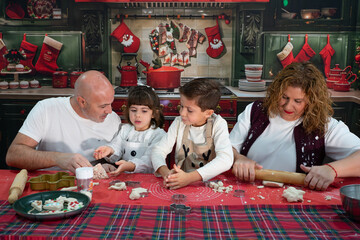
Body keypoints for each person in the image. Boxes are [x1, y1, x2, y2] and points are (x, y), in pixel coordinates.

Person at [230, 62, 360, 191]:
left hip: (296, 201)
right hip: (246, 192)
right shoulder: (255, 111)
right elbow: (226, 148)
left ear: (312, 101)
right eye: (284, 97)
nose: (287, 106)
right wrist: (239, 158)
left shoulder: (324, 126)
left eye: (297, 101)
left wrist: (332, 170)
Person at [6, 70, 121, 173]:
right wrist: (58, 158)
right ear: (82, 102)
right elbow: (13, 156)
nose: (110, 111)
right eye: (103, 106)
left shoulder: (113, 120)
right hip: (50, 186)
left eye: (111, 103)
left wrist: (107, 166)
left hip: (93, 185)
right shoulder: (46, 109)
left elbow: (119, 159)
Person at [151, 78, 234, 190]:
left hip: (211, 185)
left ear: (208, 113)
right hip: (181, 185)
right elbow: (158, 150)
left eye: (189, 110)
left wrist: (189, 178)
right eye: (181, 106)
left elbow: (225, 159)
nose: (182, 113)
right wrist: (166, 173)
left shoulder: (218, 124)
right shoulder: (179, 123)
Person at [93, 85, 166, 176]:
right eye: (134, 110)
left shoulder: (158, 135)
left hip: (147, 179)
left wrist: (130, 166)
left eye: (144, 111)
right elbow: (116, 146)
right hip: (124, 176)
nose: (137, 115)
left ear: (154, 113)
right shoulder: (125, 129)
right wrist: (109, 150)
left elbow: (149, 161)